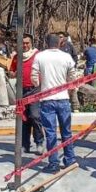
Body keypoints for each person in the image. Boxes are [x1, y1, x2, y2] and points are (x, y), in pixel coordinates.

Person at [31, 33, 78, 173]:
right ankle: (70, 159)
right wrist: (70, 90)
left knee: (50, 133)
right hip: (63, 99)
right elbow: (72, 76)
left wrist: (39, 85)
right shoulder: (66, 57)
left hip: (47, 99)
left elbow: (34, 77)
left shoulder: (40, 56)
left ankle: (53, 163)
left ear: (47, 43)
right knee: (66, 131)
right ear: (59, 43)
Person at [10, 34, 44, 155]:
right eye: (23, 43)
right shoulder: (17, 57)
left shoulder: (38, 55)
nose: (25, 45)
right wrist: (12, 74)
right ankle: (25, 144)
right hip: (21, 91)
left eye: (27, 43)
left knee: (35, 116)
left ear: (31, 43)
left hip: (35, 90)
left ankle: (39, 142)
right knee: (24, 118)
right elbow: (12, 70)